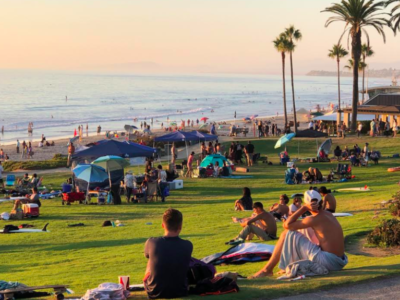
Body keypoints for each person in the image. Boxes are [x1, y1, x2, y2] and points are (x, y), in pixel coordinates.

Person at [250, 190, 348, 278]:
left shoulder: (313, 219)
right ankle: (288, 265)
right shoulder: (328, 214)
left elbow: (286, 225)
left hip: (328, 261)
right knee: (302, 230)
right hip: (340, 261)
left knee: (286, 233)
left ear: (308, 204)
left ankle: (267, 270)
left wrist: (303, 208)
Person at [144, 209, 193, 299]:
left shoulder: (151, 242)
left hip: (154, 292)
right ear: (180, 226)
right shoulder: (188, 245)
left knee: (151, 259)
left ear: (163, 225)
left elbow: (148, 256)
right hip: (180, 291)